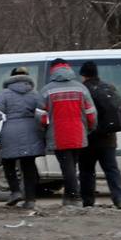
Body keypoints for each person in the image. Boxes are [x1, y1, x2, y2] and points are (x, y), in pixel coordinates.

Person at [0, 66, 45, 209]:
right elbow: (42, 117)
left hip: (10, 132)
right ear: (27, 77)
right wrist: (43, 134)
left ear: (11, 77)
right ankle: (30, 200)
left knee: (8, 162)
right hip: (31, 132)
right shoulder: (35, 94)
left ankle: (15, 191)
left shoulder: (4, 94)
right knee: (28, 166)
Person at [37, 57, 97, 208]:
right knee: (72, 166)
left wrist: (44, 129)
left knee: (67, 167)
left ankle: (75, 198)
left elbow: (40, 116)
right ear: (68, 69)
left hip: (58, 135)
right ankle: (69, 197)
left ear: (53, 70)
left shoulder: (47, 90)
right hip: (78, 133)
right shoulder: (81, 88)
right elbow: (91, 113)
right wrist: (89, 128)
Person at [78, 60, 121, 210]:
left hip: (89, 137)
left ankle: (88, 201)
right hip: (108, 138)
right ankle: (119, 198)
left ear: (83, 75)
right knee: (112, 169)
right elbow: (120, 110)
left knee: (87, 171)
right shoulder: (109, 87)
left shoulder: (82, 90)